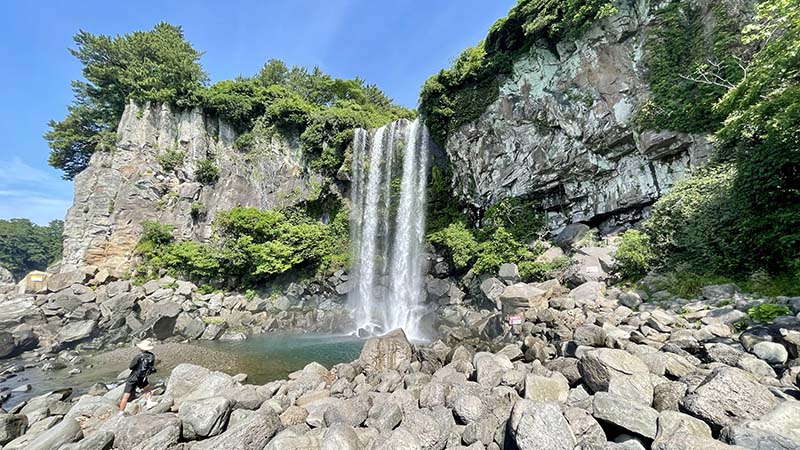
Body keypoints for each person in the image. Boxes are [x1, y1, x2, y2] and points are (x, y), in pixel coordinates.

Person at [118, 339, 157, 414]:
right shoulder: (152, 356)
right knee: (147, 390)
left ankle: (121, 412)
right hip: (142, 377)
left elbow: (131, 367)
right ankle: (149, 403)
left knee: (126, 396)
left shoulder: (138, 356)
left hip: (133, 377)